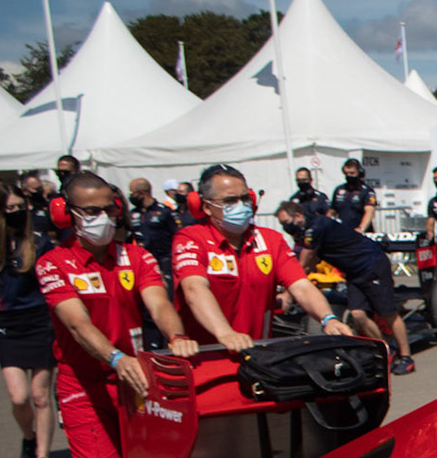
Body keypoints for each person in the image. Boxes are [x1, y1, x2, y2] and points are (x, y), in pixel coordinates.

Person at [34, 172, 202, 458]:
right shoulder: (53, 264)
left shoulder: (137, 256)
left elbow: (159, 305)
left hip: (136, 378)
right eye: (91, 211)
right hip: (84, 385)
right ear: (65, 213)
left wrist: (176, 337)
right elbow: (76, 324)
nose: (103, 218)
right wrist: (115, 357)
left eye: (109, 210)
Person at [172, 165, 350, 357]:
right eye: (230, 200)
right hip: (208, 358)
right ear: (207, 207)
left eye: (245, 197)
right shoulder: (190, 239)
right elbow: (194, 288)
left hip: (257, 357)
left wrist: (328, 318)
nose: (241, 205)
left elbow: (301, 286)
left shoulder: (271, 240)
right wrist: (225, 332)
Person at [0, 184, 59, 458]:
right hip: (6, 324)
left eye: (18, 207)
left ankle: (43, 457)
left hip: (39, 321)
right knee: (19, 396)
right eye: (8, 208)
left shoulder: (38, 241)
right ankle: (28, 436)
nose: (14, 213)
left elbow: (53, 283)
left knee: (40, 396)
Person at [274, 200, 415, 375]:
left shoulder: (316, 226)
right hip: (353, 272)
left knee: (387, 313)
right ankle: (386, 351)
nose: (285, 227)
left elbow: (305, 262)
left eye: (286, 223)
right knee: (357, 314)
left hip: (371, 264)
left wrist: (288, 291)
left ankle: (406, 356)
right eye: (282, 225)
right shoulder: (302, 232)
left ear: (297, 216)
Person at [125, 177, 178, 285]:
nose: (131, 197)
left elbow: (177, 234)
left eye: (132, 193)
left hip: (164, 261)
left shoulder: (164, 211)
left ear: (142, 193)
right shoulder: (132, 214)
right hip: (143, 261)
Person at [331, 159, 377, 234]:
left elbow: (369, 211)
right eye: (346, 173)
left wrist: (361, 228)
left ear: (359, 172)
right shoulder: (339, 190)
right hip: (343, 232)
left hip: (360, 233)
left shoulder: (367, 191)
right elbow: (332, 211)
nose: (349, 176)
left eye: (352, 173)